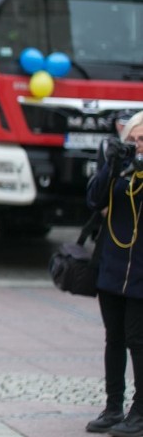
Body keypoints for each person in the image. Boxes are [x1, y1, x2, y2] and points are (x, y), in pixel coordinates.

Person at [86, 110, 143, 436]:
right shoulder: (119, 168)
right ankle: (112, 407)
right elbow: (94, 200)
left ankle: (140, 412)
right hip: (113, 267)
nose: (137, 147)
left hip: (140, 273)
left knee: (138, 340)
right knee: (114, 339)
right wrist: (110, 165)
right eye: (132, 140)